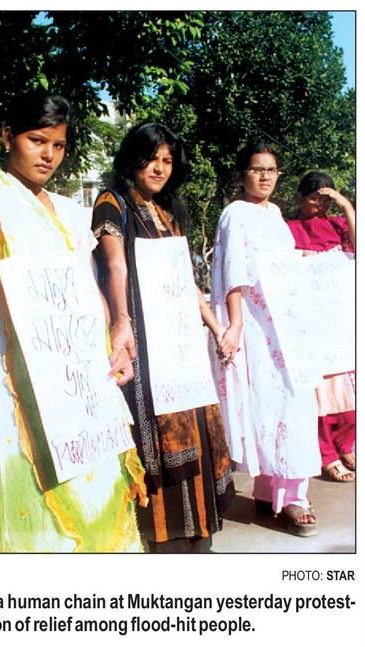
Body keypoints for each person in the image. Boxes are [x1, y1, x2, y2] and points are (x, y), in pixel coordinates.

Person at [0, 91, 145, 553]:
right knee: (32, 502)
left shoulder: (70, 211)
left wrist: (115, 339)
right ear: (7, 136)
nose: (48, 155)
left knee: (98, 491)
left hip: (78, 384)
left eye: (58, 145)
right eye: (36, 140)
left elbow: (87, 287)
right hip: (14, 378)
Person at [91, 123, 234, 553]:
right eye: (151, 158)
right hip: (143, 341)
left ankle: (198, 533)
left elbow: (184, 280)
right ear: (132, 159)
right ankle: (162, 539)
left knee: (195, 426)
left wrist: (216, 327)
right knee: (156, 432)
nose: (159, 168)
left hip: (180, 343)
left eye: (168, 161)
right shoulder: (111, 203)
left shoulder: (169, 212)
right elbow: (114, 266)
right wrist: (121, 322)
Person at [210, 143, 320, 537]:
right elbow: (233, 271)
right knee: (271, 406)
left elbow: (280, 265)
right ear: (243, 174)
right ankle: (279, 493)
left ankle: (285, 494)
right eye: (257, 169)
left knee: (296, 403)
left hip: (287, 328)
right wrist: (235, 324)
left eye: (271, 170)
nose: (265, 177)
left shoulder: (274, 214)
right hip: (258, 329)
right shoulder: (235, 214)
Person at [286, 171, 355, 482]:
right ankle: (326, 454)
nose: (320, 205)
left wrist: (346, 205)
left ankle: (346, 444)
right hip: (310, 327)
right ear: (300, 198)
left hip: (340, 324)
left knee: (348, 395)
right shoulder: (290, 229)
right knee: (320, 396)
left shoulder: (339, 225)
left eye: (326, 199)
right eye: (314, 198)